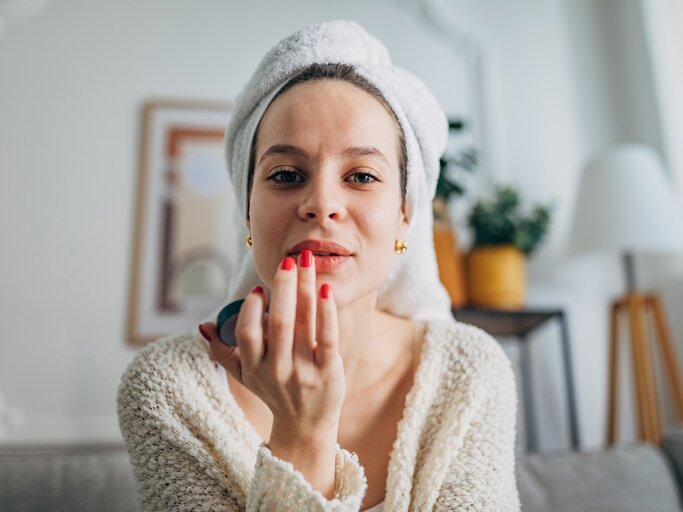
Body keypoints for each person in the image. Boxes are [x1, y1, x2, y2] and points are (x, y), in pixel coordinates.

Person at [117, 19, 520, 511]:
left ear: (405, 217)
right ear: (247, 210)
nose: (321, 203)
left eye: (362, 175)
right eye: (286, 174)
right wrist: (302, 434)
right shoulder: (170, 389)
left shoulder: (467, 375)